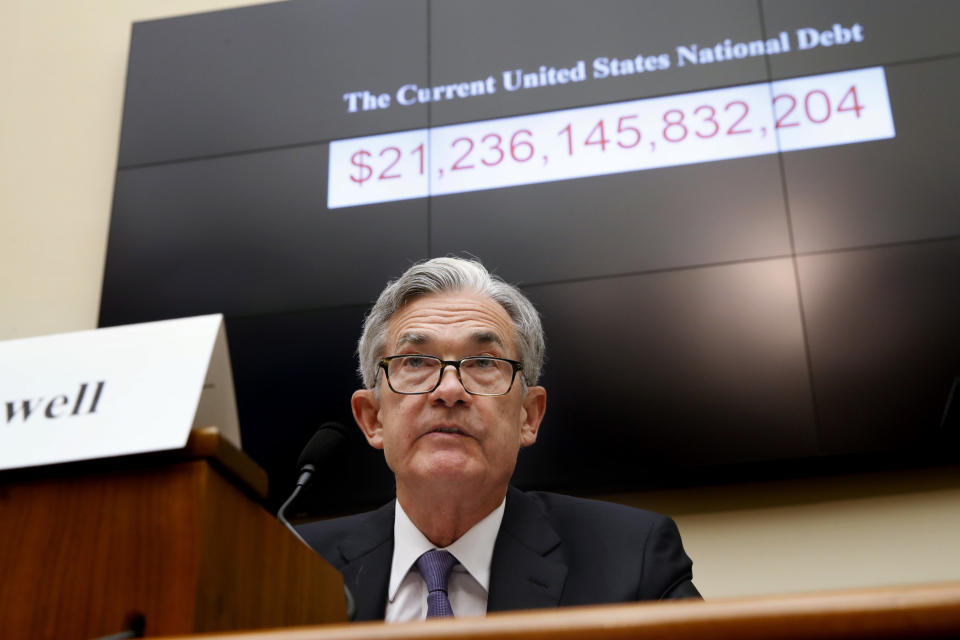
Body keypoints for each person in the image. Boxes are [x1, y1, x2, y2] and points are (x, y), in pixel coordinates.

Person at [299, 257, 699, 622]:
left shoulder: (632, 558)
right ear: (373, 419)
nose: (449, 390)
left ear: (529, 415)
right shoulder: (293, 565)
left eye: (484, 362)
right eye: (416, 362)